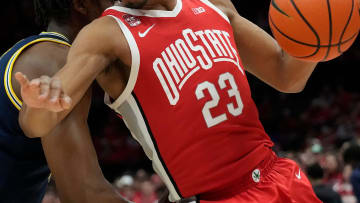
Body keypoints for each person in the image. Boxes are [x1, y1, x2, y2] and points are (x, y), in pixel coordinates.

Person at [17, 0, 325, 202]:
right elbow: (36, 124)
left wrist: (320, 39)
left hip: (280, 177)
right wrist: (39, 104)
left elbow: (287, 76)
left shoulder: (213, 4)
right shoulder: (106, 33)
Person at [0, 0, 129, 202]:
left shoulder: (26, 51)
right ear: (81, 5)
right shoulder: (57, 64)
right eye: (112, 0)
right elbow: (83, 195)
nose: (121, 5)